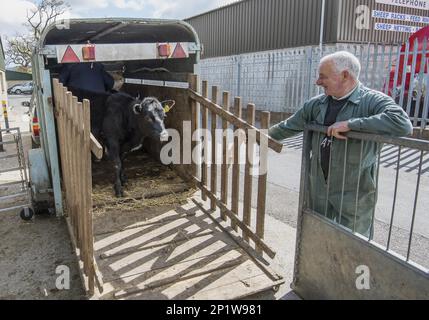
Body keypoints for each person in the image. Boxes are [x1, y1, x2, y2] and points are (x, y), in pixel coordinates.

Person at [269, 51, 413, 237]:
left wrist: (351, 124)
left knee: (353, 243)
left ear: (345, 75)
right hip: (319, 187)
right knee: (317, 235)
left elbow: (402, 124)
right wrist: (254, 135)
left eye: (323, 76)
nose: (318, 82)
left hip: (354, 191)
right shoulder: (316, 104)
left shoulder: (372, 101)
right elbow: (287, 127)